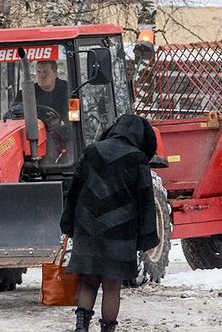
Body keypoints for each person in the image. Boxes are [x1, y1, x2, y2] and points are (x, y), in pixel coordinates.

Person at [60, 114, 159, 332]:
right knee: (112, 286)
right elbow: (146, 203)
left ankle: (81, 328)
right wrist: (147, 238)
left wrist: (67, 224)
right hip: (120, 233)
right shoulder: (138, 159)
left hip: (88, 228)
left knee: (88, 281)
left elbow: (74, 191)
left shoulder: (91, 151)